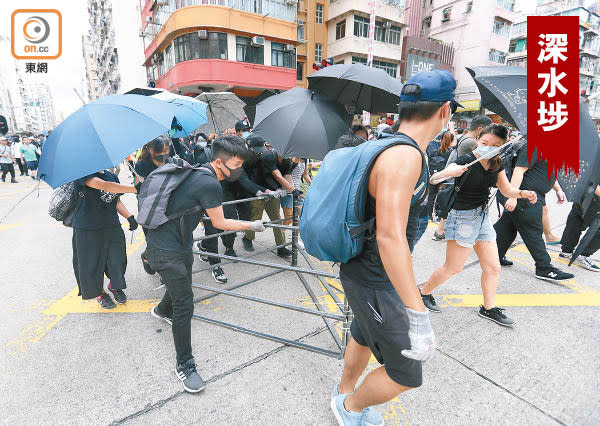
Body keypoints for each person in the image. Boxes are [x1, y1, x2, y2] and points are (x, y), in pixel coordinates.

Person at [331, 70, 458, 426]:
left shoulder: (386, 142)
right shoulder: (406, 157)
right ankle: (350, 407)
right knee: (405, 372)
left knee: (362, 331)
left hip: (360, 268)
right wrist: (417, 313)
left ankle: (343, 390)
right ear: (445, 110)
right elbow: (390, 236)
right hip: (374, 277)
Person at [144, 135, 267, 393]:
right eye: (236, 164)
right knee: (185, 302)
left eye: (242, 163)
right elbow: (220, 223)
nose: (239, 169)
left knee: (182, 285)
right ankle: (185, 365)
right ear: (219, 161)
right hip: (167, 247)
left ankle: (161, 311)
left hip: (176, 240)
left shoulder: (199, 171)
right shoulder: (210, 183)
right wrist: (251, 225)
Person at [419, 124, 537, 327]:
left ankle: (488, 308)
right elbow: (433, 179)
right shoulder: (466, 160)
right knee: (453, 267)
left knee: (492, 267)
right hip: (462, 218)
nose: (488, 147)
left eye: (495, 145)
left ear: (501, 146)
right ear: (478, 139)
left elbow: (507, 189)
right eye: (484, 143)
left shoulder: (496, 162)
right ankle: (423, 293)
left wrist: (523, 193)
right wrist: (450, 173)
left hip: (482, 218)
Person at [494, 141, 575, 282]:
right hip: (525, 196)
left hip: (533, 195)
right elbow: (519, 170)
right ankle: (544, 267)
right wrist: (513, 196)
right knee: (533, 230)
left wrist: (558, 189)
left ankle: (494, 256)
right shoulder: (534, 145)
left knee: (507, 227)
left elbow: (547, 171)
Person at [71, 169, 138, 309]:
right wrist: (136, 188)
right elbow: (105, 186)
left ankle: (114, 286)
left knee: (118, 260)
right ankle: (100, 293)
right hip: (87, 228)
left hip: (111, 225)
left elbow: (116, 200)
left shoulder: (111, 176)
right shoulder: (81, 174)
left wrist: (129, 216)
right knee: (91, 265)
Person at [242, 137, 292, 258]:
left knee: (276, 218)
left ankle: (281, 246)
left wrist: (278, 189)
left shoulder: (269, 156)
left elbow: (271, 176)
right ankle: (248, 238)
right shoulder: (245, 158)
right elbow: (247, 179)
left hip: (272, 192)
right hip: (256, 192)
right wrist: (263, 191)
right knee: (255, 218)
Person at [559, 185, 600, 271]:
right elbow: (593, 182)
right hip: (593, 196)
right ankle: (582, 255)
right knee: (595, 225)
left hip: (584, 192)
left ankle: (566, 251)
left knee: (577, 219)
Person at [426, 131, 454, 223]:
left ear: (441, 139)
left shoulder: (434, 151)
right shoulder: (451, 152)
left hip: (434, 176)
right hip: (445, 177)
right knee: (442, 198)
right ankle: (438, 216)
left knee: (431, 197)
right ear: (451, 140)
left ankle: (429, 216)